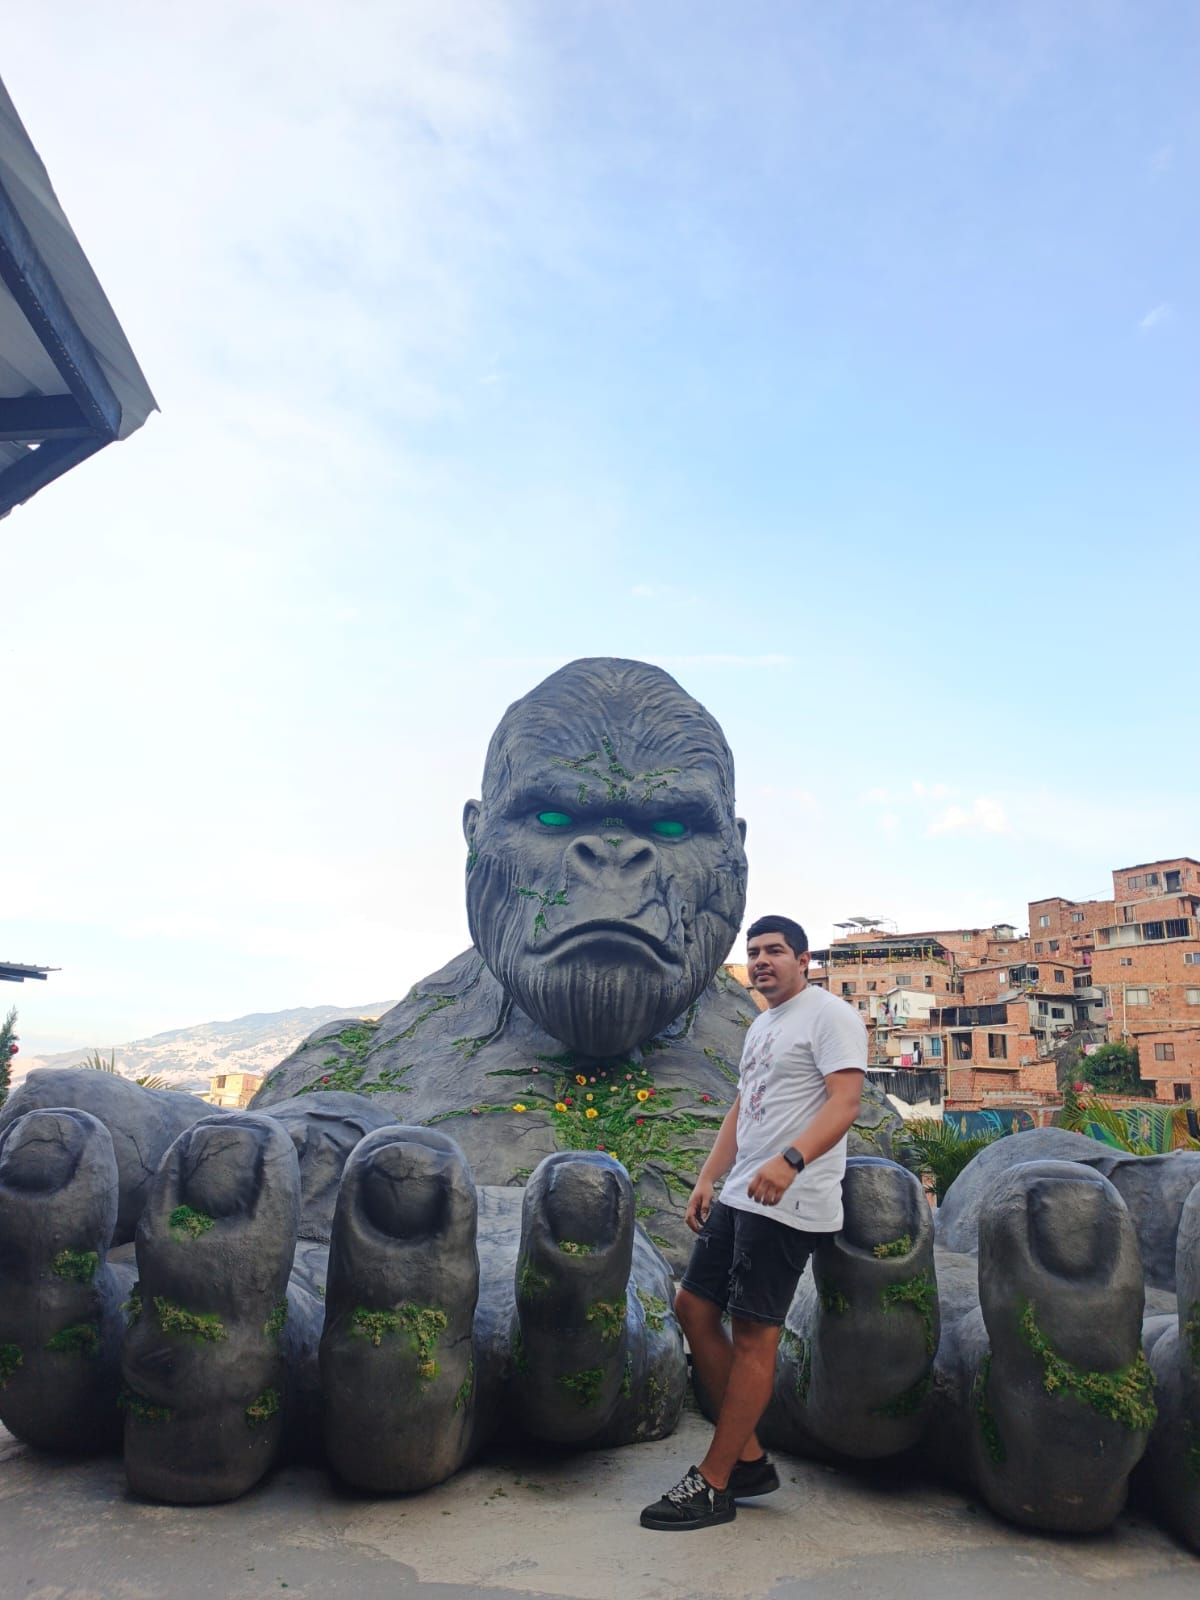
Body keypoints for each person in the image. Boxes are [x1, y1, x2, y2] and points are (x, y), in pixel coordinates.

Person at [640, 914, 866, 1531]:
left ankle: (715, 1482)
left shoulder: (829, 1016)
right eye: (755, 952)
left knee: (754, 1336)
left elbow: (846, 1102)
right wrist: (710, 1176)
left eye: (775, 951)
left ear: (804, 958)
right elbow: (746, 1105)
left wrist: (791, 1162)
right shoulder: (764, 1022)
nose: (762, 961)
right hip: (742, 1194)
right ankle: (748, 1458)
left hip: (789, 1202)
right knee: (692, 1308)